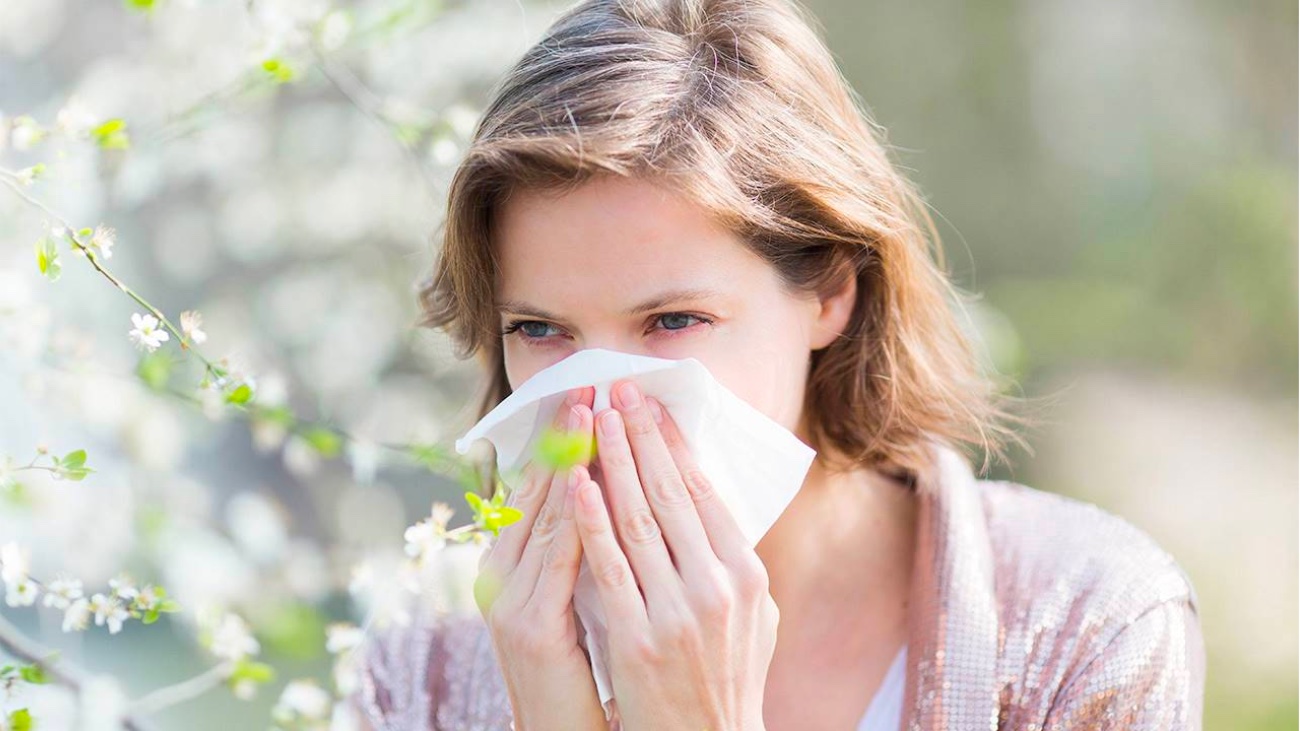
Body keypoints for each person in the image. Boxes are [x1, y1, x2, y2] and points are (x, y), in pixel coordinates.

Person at [350, 0, 1206, 728]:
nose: (599, 402)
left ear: (830, 291)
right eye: (540, 329)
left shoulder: (1088, 625)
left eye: (673, 320)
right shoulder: (422, 668)